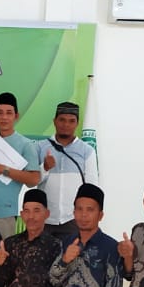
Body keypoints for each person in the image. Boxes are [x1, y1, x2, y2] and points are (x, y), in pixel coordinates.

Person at [0, 92, 41, 238]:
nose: (4, 117)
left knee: (2, 255)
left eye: (9, 113)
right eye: (0, 113)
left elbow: (34, 180)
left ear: (16, 116)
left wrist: (4, 170)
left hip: (4, 214)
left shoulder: (26, 145)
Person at [35, 101, 99, 238]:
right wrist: (45, 167)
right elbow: (31, 182)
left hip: (73, 220)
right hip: (44, 219)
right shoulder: (40, 147)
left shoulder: (87, 151)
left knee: (72, 259)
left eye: (71, 121)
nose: (66, 125)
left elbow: (92, 186)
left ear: (77, 123)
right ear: (54, 121)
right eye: (62, 120)